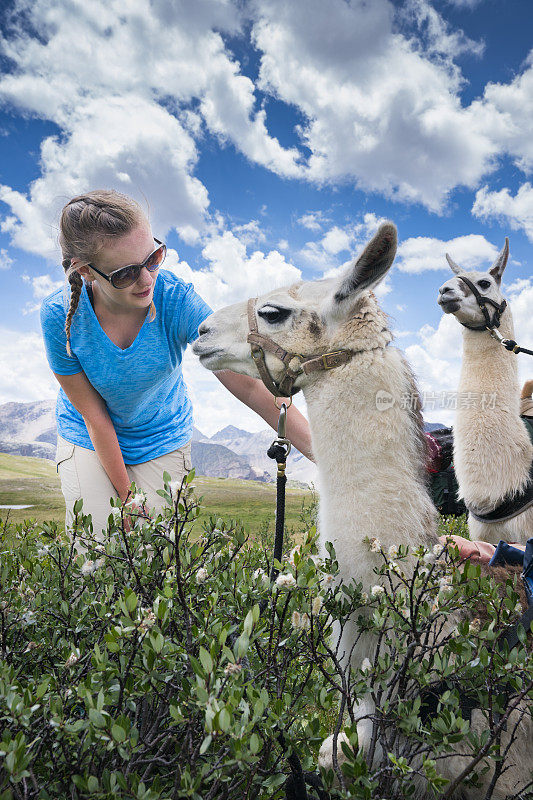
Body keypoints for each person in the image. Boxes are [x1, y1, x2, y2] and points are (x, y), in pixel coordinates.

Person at [40, 190, 313, 539]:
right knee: (97, 545)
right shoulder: (58, 316)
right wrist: (126, 499)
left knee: (153, 554)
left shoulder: (175, 299)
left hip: (162, 436)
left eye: (153, 257)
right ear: (86, 272)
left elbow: (247, 384)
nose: (147, 280)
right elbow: (95, 417)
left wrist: (324, 455)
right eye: (125, 274)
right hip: (89, 438)